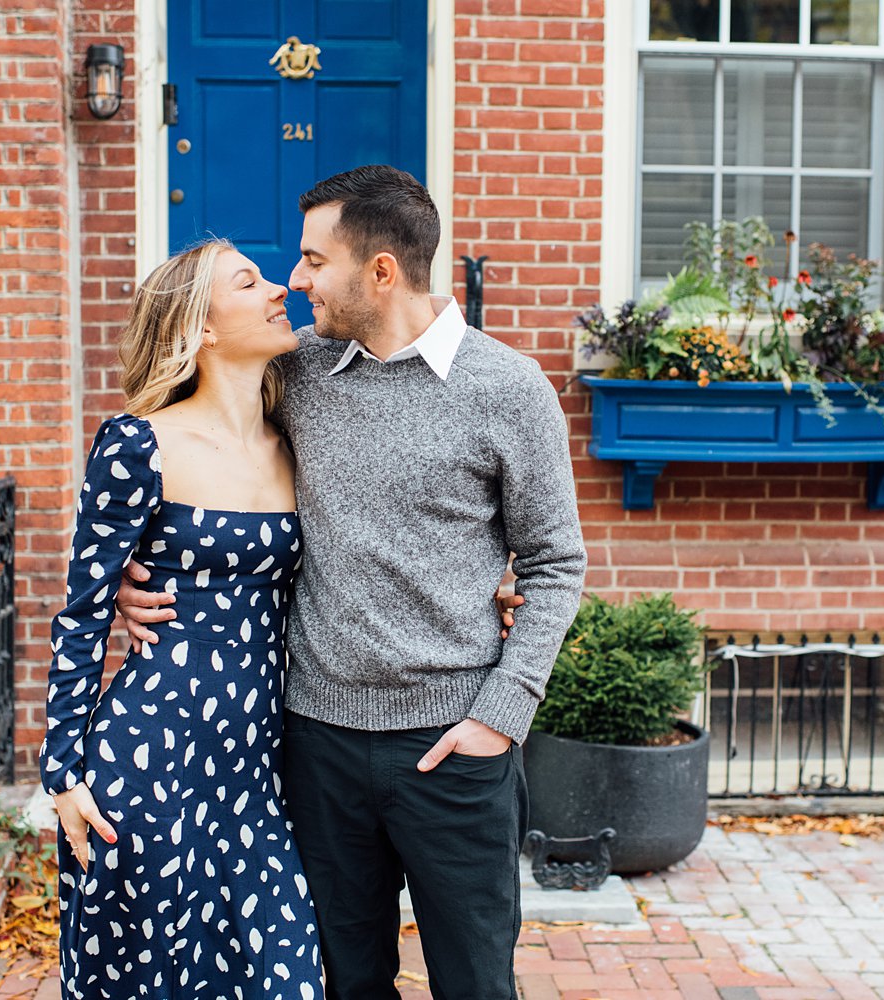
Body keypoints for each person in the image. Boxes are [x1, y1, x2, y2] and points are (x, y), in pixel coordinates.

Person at [116, 164, 587, 999]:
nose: (295, 282)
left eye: (311, 261)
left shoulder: (509, 390)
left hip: (453, 745)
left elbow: (554, 564)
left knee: (477, 984)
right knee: (342, 981)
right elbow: (190, 447)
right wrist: (136, 567)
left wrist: (502, 717)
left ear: (380, 271)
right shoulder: (295, 375)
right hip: (316, 744)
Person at [39, 239, 324, 1000]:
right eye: (250, 281)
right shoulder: (139, 444)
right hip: (151, 755)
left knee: (284, 976)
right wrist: (63, 775)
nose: (279, 288)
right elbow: (84, 612)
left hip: (258, 765)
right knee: (157, 980)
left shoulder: (293, 438)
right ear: (200, 327)